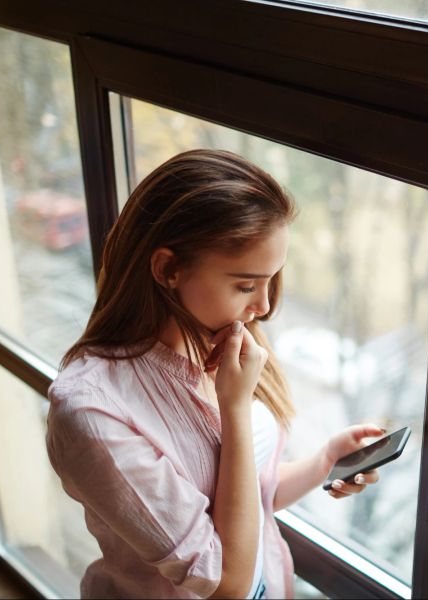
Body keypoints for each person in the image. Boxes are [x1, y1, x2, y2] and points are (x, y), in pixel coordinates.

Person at [45, 149, 384, 599]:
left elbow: (245, 503)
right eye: (246, 285)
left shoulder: (230, 338)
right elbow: (228, 584)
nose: (263, 306)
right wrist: (234, 406)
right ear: (168, 268)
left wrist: (324, 460)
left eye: (272, 279)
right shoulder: (91, 412)